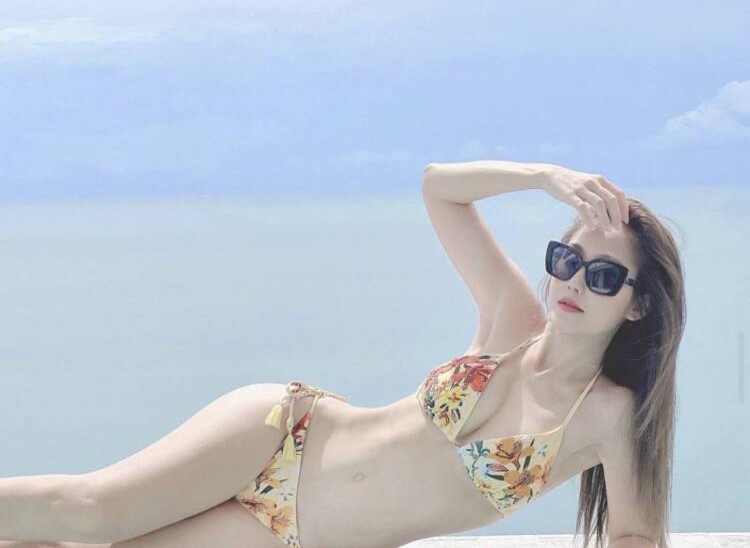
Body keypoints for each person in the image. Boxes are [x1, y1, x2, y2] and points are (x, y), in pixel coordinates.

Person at [0, 160, 683, 548]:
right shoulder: (515, 321)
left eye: (603, 276)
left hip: (298, 534)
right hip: (281, 431)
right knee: (89, 510)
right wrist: (544, 177)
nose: (573, 282)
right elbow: (440, 188)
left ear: (638, 305)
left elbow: (635, 536)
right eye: (567, 259)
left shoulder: (611, 415)